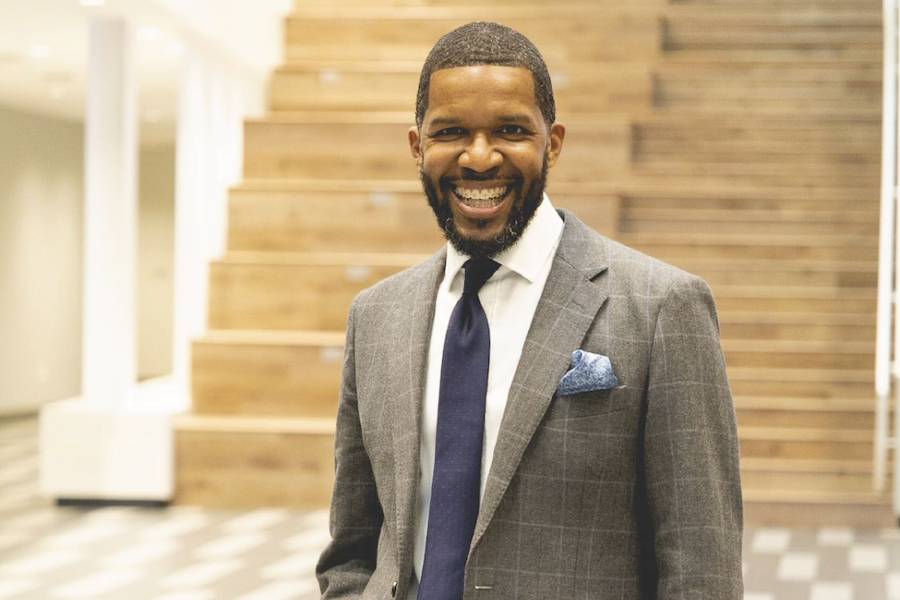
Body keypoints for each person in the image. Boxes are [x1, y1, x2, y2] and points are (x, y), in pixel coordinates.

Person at [316, 21, 743, 600]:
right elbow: (352, 546)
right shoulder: (376, 316)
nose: (480, 156)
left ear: (553, 142)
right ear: (418, 147)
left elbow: (702, 565)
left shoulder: (663, 307)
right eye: (451, 132)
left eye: (511, 130)